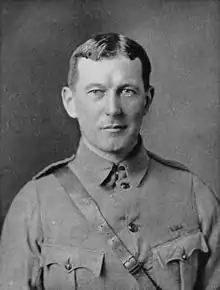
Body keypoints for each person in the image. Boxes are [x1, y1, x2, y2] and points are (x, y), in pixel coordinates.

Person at [0, 33, 220, 290]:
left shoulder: (195, 195)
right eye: (96, 92)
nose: (113, 108)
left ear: (147, 100)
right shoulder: (33, 204)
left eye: (127, 91)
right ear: (70, 102)